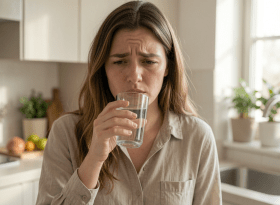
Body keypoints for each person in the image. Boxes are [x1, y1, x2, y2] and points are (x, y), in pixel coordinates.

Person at [36, 1, 222, 204]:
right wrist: (93, 160)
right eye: (120, 61)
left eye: (149, 61)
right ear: (103, 68)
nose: (134, 76)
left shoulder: (198, 137)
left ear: (168, 67)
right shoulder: (66, 132)